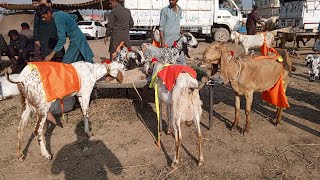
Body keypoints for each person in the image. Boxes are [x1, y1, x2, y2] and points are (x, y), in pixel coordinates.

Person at [159, 0, 185, 64]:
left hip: (177, 38)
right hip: (168, 39)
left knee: (181, 59)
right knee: (167, 61)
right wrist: (162, 42)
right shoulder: (164, 10)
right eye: (169, 0)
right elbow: (161, 28)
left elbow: (177, 24)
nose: (170, 2)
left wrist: (183, 33)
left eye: (172, 0)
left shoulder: (180, 10)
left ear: (177, 0)